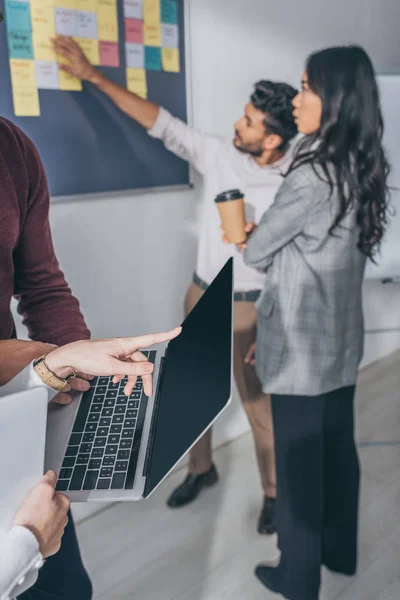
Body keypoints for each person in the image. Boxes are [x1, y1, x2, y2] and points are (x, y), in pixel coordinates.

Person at [53, 35, 299, 533]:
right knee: (188, 393)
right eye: (243, 113)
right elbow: (160, 123)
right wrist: (94, 75)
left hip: (257, 304)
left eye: (250, 121)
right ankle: (200, 471)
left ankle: (274, 493)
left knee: (258, 405)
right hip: (201, 292)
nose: (238, 123)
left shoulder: (299, 181)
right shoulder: (218, 154)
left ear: (273, 139)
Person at [227, 46, 390, 599]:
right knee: (338, 450)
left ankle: (297, 578)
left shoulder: (312, 173)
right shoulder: (358, 163)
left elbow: (259, 252)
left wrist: (250, 231)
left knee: (298, 468)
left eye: (306, 87)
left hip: (300, 347)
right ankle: (340, 554)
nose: (297, 100)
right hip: (338, 343)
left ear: (336, 98)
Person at [0, 328, 181, 600]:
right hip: (20, 536)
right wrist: (29, 542)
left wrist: (55, 366)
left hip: (24, 480)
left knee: (72, 591)